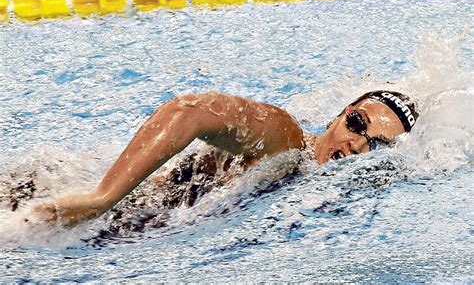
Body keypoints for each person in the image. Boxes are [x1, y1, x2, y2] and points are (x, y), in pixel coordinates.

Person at [30, 90, 418, 227]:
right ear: (340, 114)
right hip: (87, 210)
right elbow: (191, 109)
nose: (355, 144)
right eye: (356, 123)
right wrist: (102, 198)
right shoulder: (285, 138)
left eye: (376, 145)